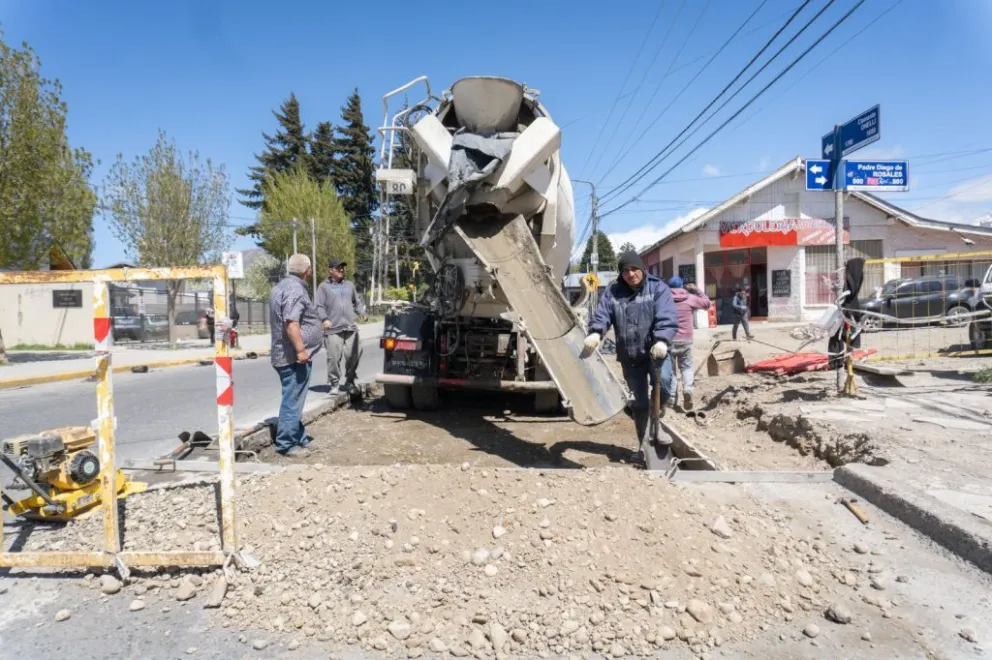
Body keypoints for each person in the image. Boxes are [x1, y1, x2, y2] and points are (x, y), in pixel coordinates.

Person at [584, 251, 679, 459]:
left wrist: (662, 339)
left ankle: (657, 423)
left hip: (657, 352)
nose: (630, 273)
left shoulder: (658, 288)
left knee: (663, 384)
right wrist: (595, 332)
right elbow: (602, 314)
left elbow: (667, 315)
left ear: (642, 269)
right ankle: (643, 446)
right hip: (630, 356)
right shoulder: (613, 292)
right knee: (640, 403)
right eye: (625, 270)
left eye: (634, 268)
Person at [269, 254, 324, 457]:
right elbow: (291, 322)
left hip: (284, 353)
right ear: (307, 271)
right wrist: (301, 350)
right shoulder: (295, 290)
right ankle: (286, 444)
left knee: (295, 398)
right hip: (292, 356)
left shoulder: (280, 287)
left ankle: (299, 437)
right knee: (292, 400)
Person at [315, 259, 367, 395]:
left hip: (350, 327)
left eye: (343, 268)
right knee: (333, 358)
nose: (342, 270)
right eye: (338, 268)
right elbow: (318, 306)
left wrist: (362, 313)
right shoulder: (323, 287)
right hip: (333, 329)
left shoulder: (349, 285)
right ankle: (334, 383)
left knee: (354, 355)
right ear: (330, 270)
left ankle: (350, 381)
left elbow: (357, 302)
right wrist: (324, 319)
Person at [667, 276, 711, 411]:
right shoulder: (690, 298)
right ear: (682, 286)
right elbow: (707, 304)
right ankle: (688, 389)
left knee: (671, 371)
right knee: (686, 367)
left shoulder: (665, 298)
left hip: (668, 339)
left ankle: (672, 398)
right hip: (686, 339)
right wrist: (697, 290)